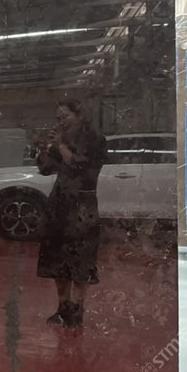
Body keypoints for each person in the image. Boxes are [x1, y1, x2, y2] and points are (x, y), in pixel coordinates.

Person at [36, 100, 106, 329]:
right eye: (58, 118)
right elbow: (45, 169)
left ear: (79, 115)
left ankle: (77, 309)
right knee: (57, 258)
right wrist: (44, 149)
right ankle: (63, 307)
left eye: (65, 117)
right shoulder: (62, 140)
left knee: (80, 260)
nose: (61, 122)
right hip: (60, 204)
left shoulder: (94, 139)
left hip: (82, 206)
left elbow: (81, 168)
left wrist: (61, 146)